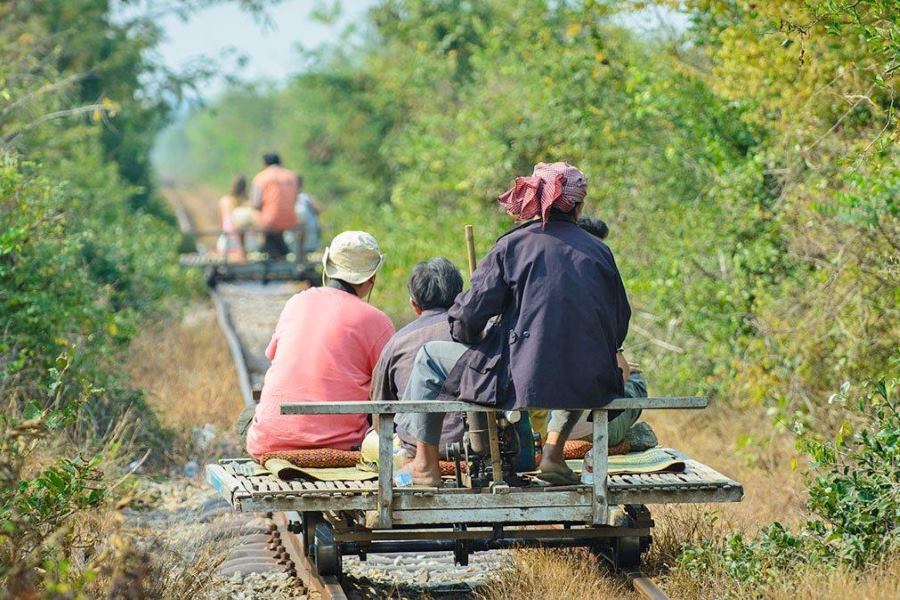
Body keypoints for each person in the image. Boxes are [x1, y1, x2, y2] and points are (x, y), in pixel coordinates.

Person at [396, 162, 631, 486]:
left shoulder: (514, 246)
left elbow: (469, 314)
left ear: (535, 201)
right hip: (588, 378)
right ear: (577, 206)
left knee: (428, 358)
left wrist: (468, 334)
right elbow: (620, 319)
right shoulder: (600, 252)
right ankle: (553, 454)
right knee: (575, 356)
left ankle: (424, 465)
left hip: (519, 377)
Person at [245, 231, 395, 459]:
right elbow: (389, 386)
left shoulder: (296, 302)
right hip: (342, 448)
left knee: (248, 414)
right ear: (371, 277)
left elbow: (273, 356)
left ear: (327, 266)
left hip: (268, 443)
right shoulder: (377, 321)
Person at [370, 258, 466, 456]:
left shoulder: (397, 343)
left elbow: (380, 418)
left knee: (370, 441)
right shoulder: (485, 333)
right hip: (477, 449)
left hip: (415, 452)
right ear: (460, 297)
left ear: (414, 304)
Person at [251, 152, 298, 260]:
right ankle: (281, 250)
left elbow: (255, 204)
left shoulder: (261, 177)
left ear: (265, 164)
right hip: (291, 220)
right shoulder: (291, 176)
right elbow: (295, 199)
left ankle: (243, 254)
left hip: (269, 221)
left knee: (246, 215)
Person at [217, 175, 249, 260]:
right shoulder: (247, 203)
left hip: (225, 243)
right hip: (245, 245)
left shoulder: (224, 200)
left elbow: (221, 224)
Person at [294, 175, 323, 254]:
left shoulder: (306, 198)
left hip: (308, 235)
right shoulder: (306, 198)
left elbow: (319, 209)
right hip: (295, 237)